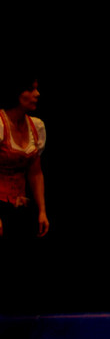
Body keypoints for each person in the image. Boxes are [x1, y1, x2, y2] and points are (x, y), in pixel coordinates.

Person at [1, 78, 49, 310]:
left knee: (24, 268)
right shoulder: (0, 123)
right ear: (17, 93)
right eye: (31, 89)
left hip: (20, 204)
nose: (37, 94)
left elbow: (35, 172)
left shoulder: (35, 126)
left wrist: (42, 210)